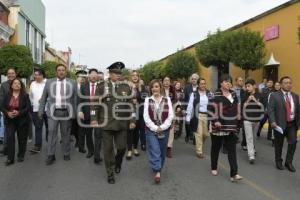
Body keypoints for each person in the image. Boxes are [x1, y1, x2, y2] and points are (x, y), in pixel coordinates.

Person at [91, 62, 136, 184]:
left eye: (119, 73)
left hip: (121, 124)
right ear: (110, 74)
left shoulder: (126, 87)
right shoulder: (101, 86)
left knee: (121, 147)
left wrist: (132, 120)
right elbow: (95, 103)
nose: (118, 75)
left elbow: (131, 105)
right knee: (108, 149)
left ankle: (118, 161)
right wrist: (94, 118)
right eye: (115, 73)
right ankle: (110, 173)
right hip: (106, 123)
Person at [38, 64, 77, 165]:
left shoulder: (72, 82)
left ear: (66, 71)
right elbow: (43, 97)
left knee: (66, 133)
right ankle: (51, 155)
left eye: (63, 70)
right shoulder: (49, 82)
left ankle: (66, 152)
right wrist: (40, 111)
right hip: (53, 112)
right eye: (59, 70)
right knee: (51, 133)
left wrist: (75, 112)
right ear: (56, 72)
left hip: (66, 112)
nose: (61, 72)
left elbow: (75, 99)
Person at [208, 74, 243, 182]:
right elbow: (210, 109)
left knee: (232, 149)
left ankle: (234, 174)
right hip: (218, 125)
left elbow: (237, 105)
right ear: (221, 83)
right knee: (216, 148)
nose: (228, 83)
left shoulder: (233, 94)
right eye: (226, 81)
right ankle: (214, 166)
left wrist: (238, 114)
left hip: (231, 125)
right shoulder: (214, 94)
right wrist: (215, 120)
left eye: (230, 81)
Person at [143, 79, 174, 184]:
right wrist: (155, 128)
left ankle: (158, 167)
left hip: (164, 130)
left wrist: (163, 127)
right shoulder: (148, 100)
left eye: (156, 86)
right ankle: (157, 171)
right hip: (151, 130)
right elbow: (146, 117)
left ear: (160, 88)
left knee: (162, 151)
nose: (154, 89)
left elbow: (171, 116)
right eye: (152, 87)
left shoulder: (167, 99)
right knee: (155, 149)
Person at [268, 76, 300, 172]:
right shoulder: (274, 95)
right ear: (281, 84)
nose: (288, 84)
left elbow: (298, 110)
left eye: (290, 83)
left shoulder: (295, 96)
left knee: (293, 142)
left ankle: (288, 162)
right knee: (279, 144)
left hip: (292, 124)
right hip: (279, 124)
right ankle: (278, 161)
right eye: (286, 83)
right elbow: (271, 110)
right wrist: (272, 121)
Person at [0, 78, 31, 166]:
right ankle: (10, 158)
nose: (17, 85)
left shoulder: (25, 95)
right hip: (10, 120)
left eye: (18, 84)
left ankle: (21, 155)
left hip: (22, 120)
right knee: (10, 138)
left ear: (21, 86)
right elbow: (2, 106)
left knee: (22, 139)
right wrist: (7, 113)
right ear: (12, 85)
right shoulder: (7, 95)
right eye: (15, 83)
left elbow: (28, 108)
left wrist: (19, 112)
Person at [78, 68, 103, 164]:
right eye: (91, 75)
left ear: (97, 76)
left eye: (95, 75)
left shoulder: (102, 86)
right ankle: (91, 150)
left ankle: (97, 154)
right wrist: (80, 111)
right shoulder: (83, 86)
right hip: (86, 113)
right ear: (88, 76)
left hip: (98, 115)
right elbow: (80, 100)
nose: (93, 76)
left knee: (98, 135)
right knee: (88, 134)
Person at [186, 78, 212, 158]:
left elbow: (213, 103)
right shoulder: (194, 94)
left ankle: (199, 144)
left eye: (204, 83)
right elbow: (190, 105)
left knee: (206, 134)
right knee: (199, 134)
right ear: (198, 85)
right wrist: (188, 116)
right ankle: (199, 151)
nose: (203, 85)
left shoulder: (209, 93)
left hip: (207, 116)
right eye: (201, 84)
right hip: (197, 115)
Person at [126, 70, 148, 160]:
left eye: (136, 75)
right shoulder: (127, 87)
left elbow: (145, 99)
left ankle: (135, 148)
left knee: (136, 131)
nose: (135, 77)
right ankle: (129, 149)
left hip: (140, 112)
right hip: (129, 112)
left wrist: (137, 99)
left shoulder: (142, 87)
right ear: (130, 77)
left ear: (138, 77)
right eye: (133, 75)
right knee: (130, 131)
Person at [242, 79, 264, 164]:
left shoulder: (260, 95)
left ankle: (252, 149)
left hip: (257, 120)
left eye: (249, 86)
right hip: (247, 120)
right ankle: (251, 156)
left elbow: (262, 106)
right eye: (246, 86)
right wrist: (248, 100)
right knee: (249, 137)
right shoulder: (244, 95)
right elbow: (243, 107)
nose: (247, 88)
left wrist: (255, 100)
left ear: (254, 86)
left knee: (254, 137)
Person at [29, 69, 48, 153]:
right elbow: (31, 96)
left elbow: (53, 94)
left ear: (42, 75)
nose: (36, 76)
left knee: (50, 128)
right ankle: (37, 146)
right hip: (36, 109)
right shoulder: (32, 84)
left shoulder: (48, 83)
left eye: (38, 75)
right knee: (38, 128)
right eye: (35, 75)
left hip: (47, 109)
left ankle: (50, 143)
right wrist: (34, 104)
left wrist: (45, 99)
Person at [0, 68, 17, 156]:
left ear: (15, 74)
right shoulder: (3, 85)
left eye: (12, 73)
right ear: (7, 75)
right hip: (7, 112)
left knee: (19, 131)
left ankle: (20, 150)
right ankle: (6, 147)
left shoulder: (19, 83)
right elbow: (1, 99)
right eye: (9, 73)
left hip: (18, 112)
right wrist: (5, 111)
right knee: (7, 131)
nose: (11, 75)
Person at [162, 76, 176, 158]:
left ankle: (169, 147)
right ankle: (162, 145)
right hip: (161, 112)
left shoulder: (172, 90)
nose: (167, 82)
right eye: (165, 80)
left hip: (171, 112)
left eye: (168, 80)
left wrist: (178, 108)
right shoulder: (159, 89)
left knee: (171, 129)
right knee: (162, 128)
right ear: (162, 82)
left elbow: (176, 101)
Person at [183, 73, 199, 143]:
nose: (193, 80)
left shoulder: (200, 87)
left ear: (197, 80)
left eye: (195, 79)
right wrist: (183, 108)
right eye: (192, 79)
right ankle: (187, 134)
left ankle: (195, 137)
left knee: (196, 123)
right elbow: (183, 98)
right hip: (188, 108)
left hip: (197, 109)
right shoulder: (187, 87)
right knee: (187, 123)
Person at [232, 77, 247, 150]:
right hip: (235, 109)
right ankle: (234, 137)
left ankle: (237, 137)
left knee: (241, 124)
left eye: (242, 81)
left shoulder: (244, 90)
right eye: (239, 80)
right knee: (236, 123)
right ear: (236, 82)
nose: (241, 82)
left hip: (243, 109)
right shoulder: (232, 90)